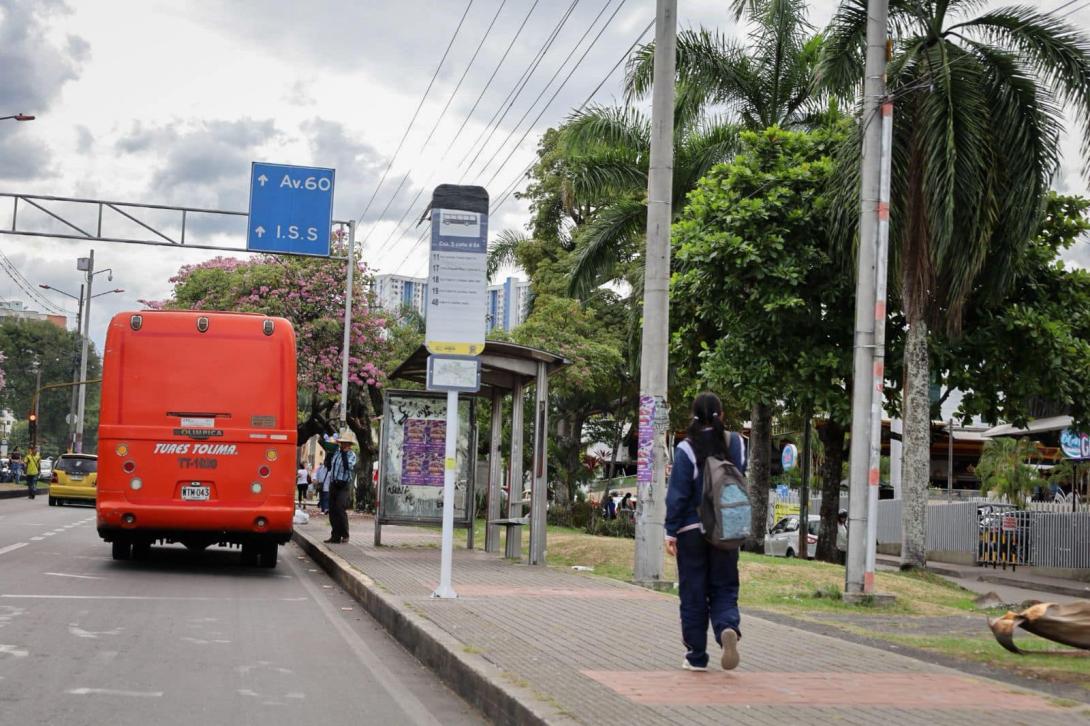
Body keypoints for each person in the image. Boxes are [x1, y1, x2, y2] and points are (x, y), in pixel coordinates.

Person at [665, 392, 746, 672]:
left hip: (690, 530)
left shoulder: (686, 448)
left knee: (693, 593)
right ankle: (727, 628)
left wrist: (670, 530)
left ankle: (696, 657)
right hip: (725, 528)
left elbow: (677, 493)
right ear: (721, 414)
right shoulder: (736, 443)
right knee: (724, 586)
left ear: (693, 416)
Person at [325, 430, 358, 544]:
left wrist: (344, 453)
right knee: (332, 511)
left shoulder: (351, 455)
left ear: (349, 444)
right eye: (342, 442)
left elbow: (347, 466)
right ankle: (335, 535)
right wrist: (328, 455)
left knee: (340, 509)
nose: (342, 445)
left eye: (345, 443)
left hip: (343, 485)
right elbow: (329, 466)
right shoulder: (336, 453)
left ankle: (345, 534)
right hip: (333, 484)